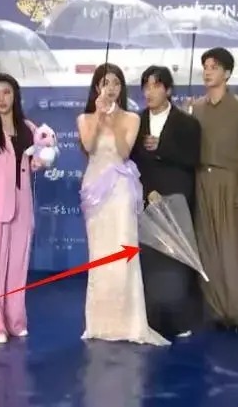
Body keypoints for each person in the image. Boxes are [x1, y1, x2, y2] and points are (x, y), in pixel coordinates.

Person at [76, 63, 169, 346]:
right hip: (95, 190)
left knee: (123, 252)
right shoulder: (84, 118)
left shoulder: (131, 118)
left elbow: (124, 151)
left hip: (120, 190)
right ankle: (100, 323)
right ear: (97, 87)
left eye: (116, 83)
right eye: (106, 82)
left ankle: (128, 323)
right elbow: (89, 146)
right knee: (99, 256)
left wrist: (113, 119)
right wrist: (99, 116)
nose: (111, 88)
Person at [0, 73, 55, 344]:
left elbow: (34, 163)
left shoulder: (29, 127)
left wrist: (43, 159)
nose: (1, 98)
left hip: (23, 206)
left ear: (15, 95)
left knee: (18, 268)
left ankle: (15, 320)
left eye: (6, 92)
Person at [130, 65, 203, 340]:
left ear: (168, 90)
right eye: (146, 86)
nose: (149, 92)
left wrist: (161, 147)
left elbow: (192, 158)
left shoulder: (187, 123)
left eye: (156, 86)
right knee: (150, 261)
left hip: (177, 197)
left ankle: (180, 320)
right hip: (145, 196)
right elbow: (130, 160)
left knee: (176, 260)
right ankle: (151, 318)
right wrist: (147, 190)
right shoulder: (136, 121)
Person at [190, 47, 238, 334]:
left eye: (214, 67)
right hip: (200, 183)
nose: (208, 72)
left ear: (227, 73)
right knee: (207, 252)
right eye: (205, 67)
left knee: (233, 254)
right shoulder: (195, 108)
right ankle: (218, 312)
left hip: (230, 184)